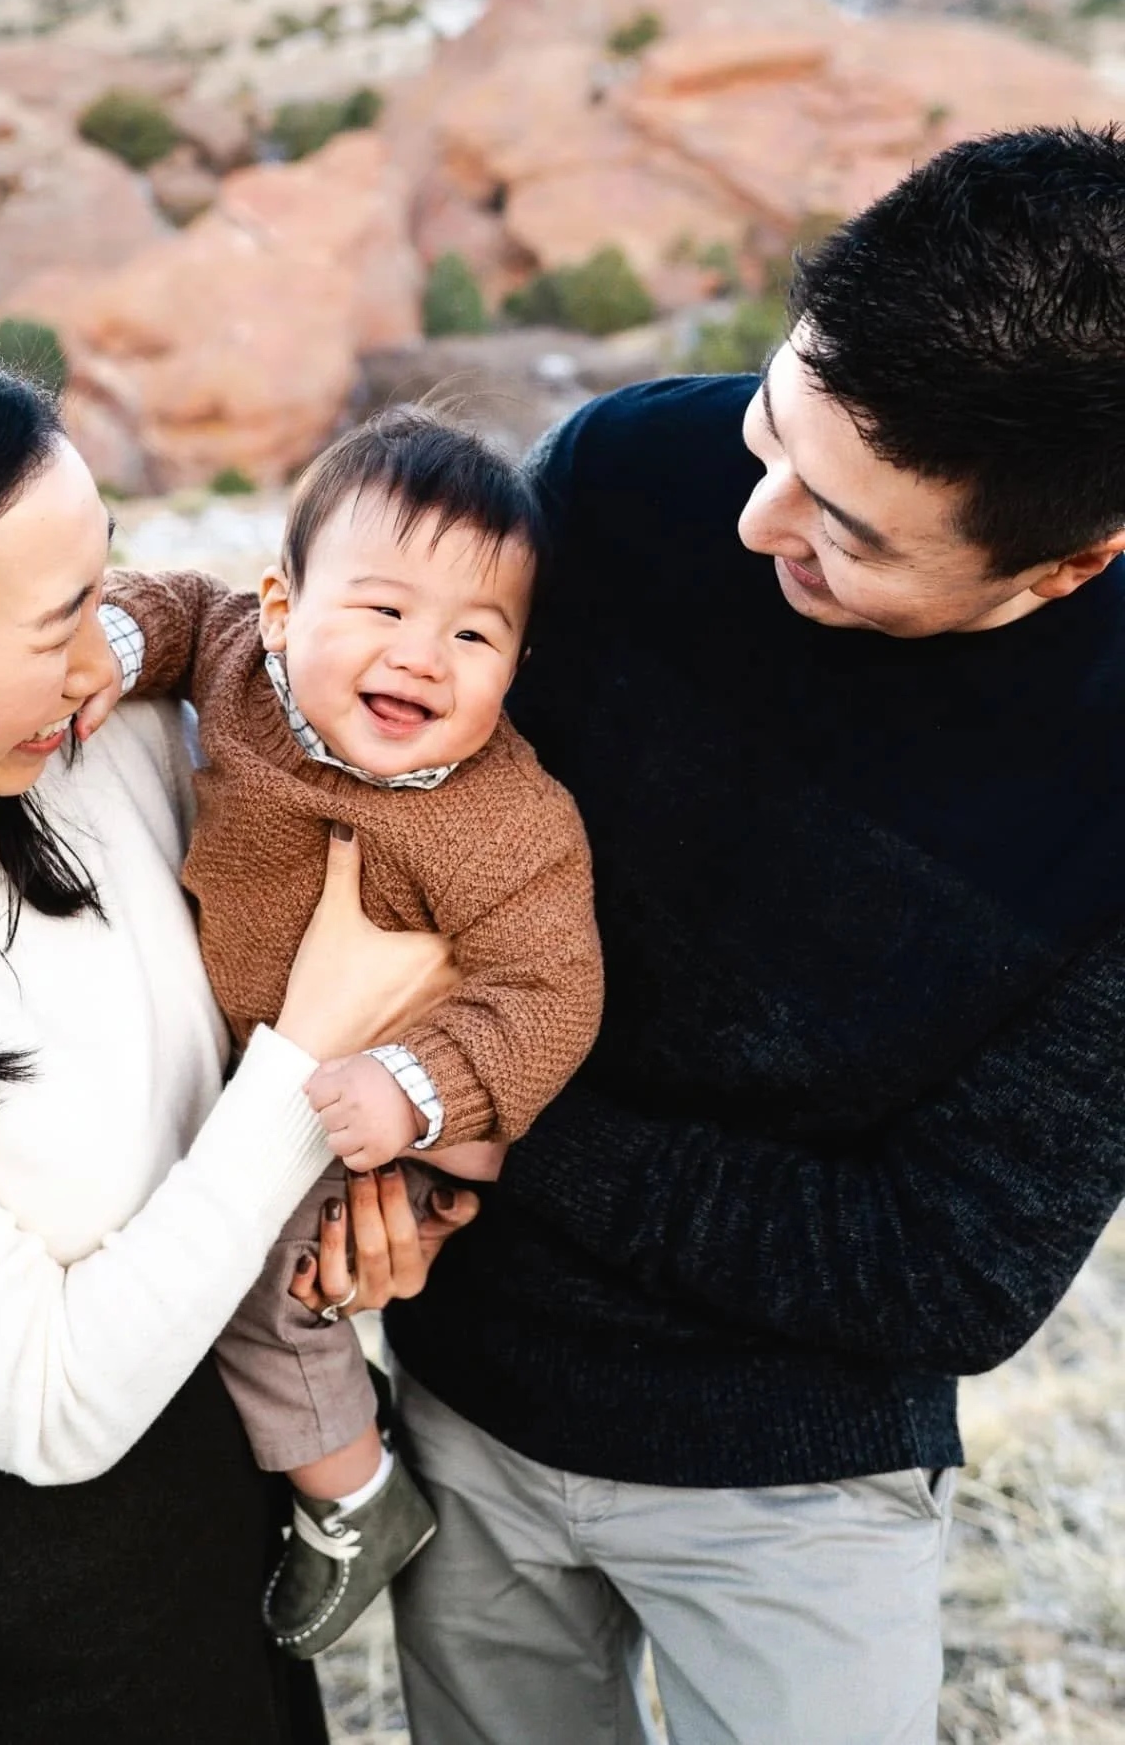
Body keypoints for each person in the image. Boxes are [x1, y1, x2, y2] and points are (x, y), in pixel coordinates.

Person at [385, 123, 1125, 1745]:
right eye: (772, 424)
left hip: (795, 1478)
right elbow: (409, 822)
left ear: (1067, 564)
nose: (754, 517)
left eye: (850, 532)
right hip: (458, 1387)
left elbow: (954, 1262)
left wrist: (483, 1115)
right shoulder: (632, 473)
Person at [0, 321, 476, 1745]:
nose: (98, 643)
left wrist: (373, 1197)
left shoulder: (87, 745)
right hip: (36, 1575)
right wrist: (307, 1065)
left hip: (234, 1440)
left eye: (98, 577)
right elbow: (53, 1409)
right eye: (52, 619)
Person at [100, 406, 603, 1658]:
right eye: (382, 610)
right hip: (266, 1062)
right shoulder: (241, 666)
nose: (423, 656)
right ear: (283, 609)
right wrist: (111, 642)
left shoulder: (507, 825)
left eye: (475, 634)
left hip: (392, 1101)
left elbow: (552, 994)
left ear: (517, 664)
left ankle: (356, 1501)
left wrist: (412, 1084)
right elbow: (172, 606)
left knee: (264, 1291)